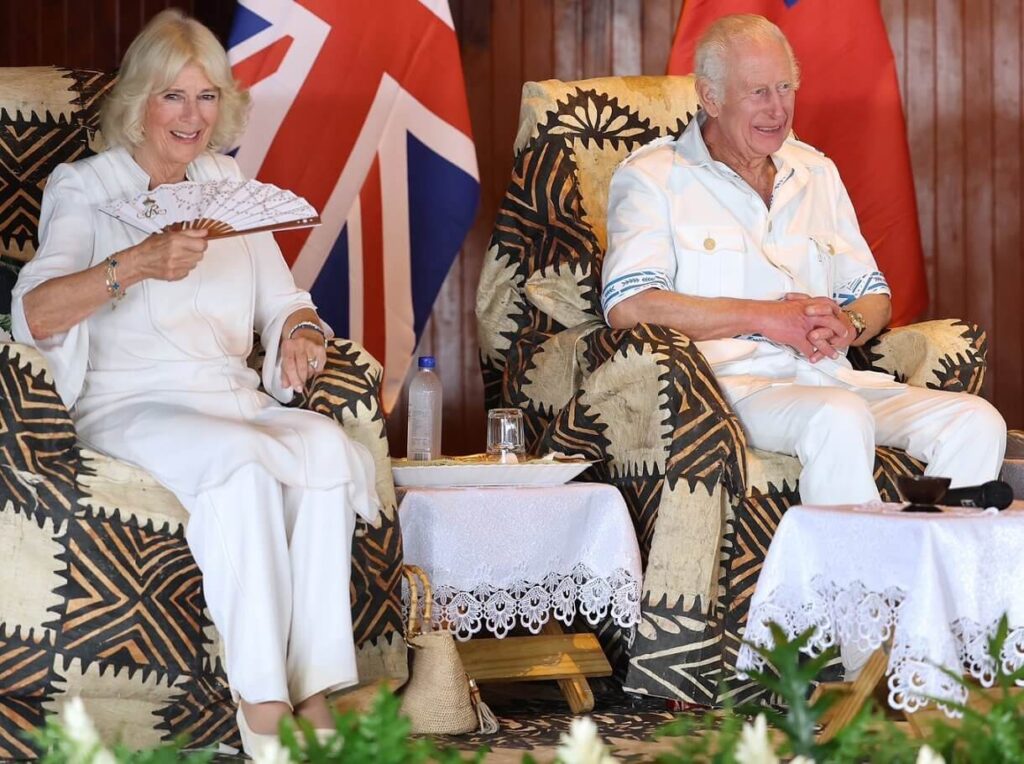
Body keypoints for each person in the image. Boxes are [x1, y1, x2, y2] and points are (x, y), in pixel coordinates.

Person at [10, 10, 377, 757]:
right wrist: (135, 264)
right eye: (173, 97)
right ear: (139, 101)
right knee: (240, 465)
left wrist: (300, 334)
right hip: (130, 399)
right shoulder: (84, 186)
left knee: (323, 446)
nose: (191, 116)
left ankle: (316, 692)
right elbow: (34, 313)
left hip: (226, 396)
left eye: (206, 97)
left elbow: (285, 300)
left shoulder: (227, 181)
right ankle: (263, 702)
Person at [602, 13, 1006, 505]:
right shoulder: (653, 177)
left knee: (977, 421)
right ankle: (850, 582)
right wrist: (770, 319)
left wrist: (849, 322)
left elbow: (872, 295)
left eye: (785, 87)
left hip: (831, 376)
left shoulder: (817, 171)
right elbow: (630, 304)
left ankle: (926, 576)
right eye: (758, 93)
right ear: (710, 97)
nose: (778, 109)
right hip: (729, 389)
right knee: (837, 417)